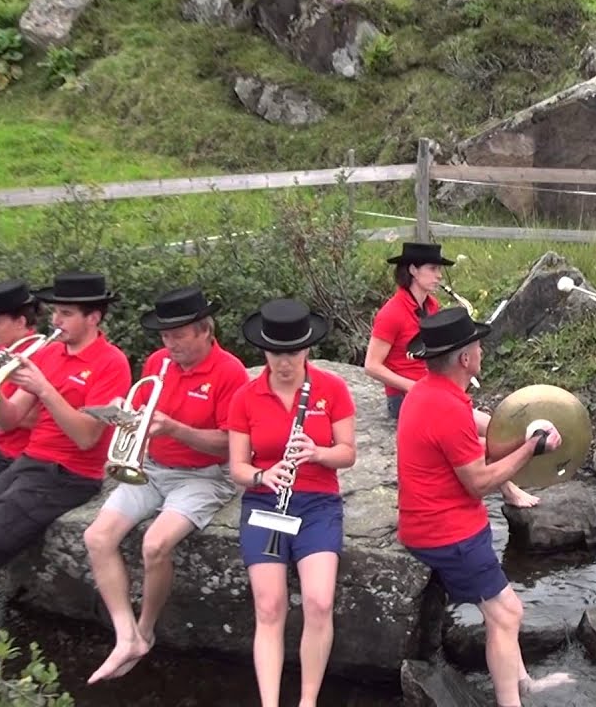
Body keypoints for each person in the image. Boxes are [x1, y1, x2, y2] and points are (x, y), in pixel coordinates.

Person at [397, 307, 573, 707]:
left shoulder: (429, 393)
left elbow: (476, 447)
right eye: (477, 345)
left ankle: (522, 679)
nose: (481, 350)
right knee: (507, 613)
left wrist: (525, 434)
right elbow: (478, 482)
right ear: (464, 358)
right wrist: (530, 448)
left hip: (443, 523)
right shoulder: (444, 407)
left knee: (503, 610)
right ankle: (511, 701)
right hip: (445, 532)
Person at [83, 286, 251, 684]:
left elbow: (230, 443)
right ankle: (125, 636)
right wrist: (128, 427)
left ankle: (145, 630)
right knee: (96, 537)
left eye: (177, 335)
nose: (168, 344)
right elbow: (145, 420)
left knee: (155, 544)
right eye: (164, 336)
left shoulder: (231, 373)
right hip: (154, 468)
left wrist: (176, 429)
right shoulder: (158, 362)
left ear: (204, 330)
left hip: (206, 476)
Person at [228, 298, 357, 707]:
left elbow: (348, 453)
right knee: (269, 605)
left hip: (318, 504)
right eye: (276, 353)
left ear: (307, 349)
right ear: (264, 351)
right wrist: (264, 475)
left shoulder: (332, 389)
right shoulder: (245, 397)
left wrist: (317, 452)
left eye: (293, 353)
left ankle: (307, 701)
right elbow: (237, 468)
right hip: (266, 502)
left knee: (319, 601)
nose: (284, 362)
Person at [365, 241, 539, 509]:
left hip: (434, 393)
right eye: (433, 269)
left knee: (496, 426)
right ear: (412, 269)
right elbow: (371, 366)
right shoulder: (391, 313)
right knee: (488, 433)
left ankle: (514, 476)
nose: (439, 276)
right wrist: (414, 388)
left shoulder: (431, 306)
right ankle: (510, 488)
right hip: (407, 400)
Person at [0, 272, 132, 572]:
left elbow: (86, 438)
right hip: (29, 463)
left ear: (93, 318)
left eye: (66, 314)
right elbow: (9, 422)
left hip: (70, 475)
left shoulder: (111, 362)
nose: (55, 321)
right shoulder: (49, 353)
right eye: (55, 312)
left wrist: (44, 389)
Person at [0, 279, 42, 482]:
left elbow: (32, 419)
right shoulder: (2, 353)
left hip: (20, 456)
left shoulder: (38, 355)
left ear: (20, 322)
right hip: (2, 450)